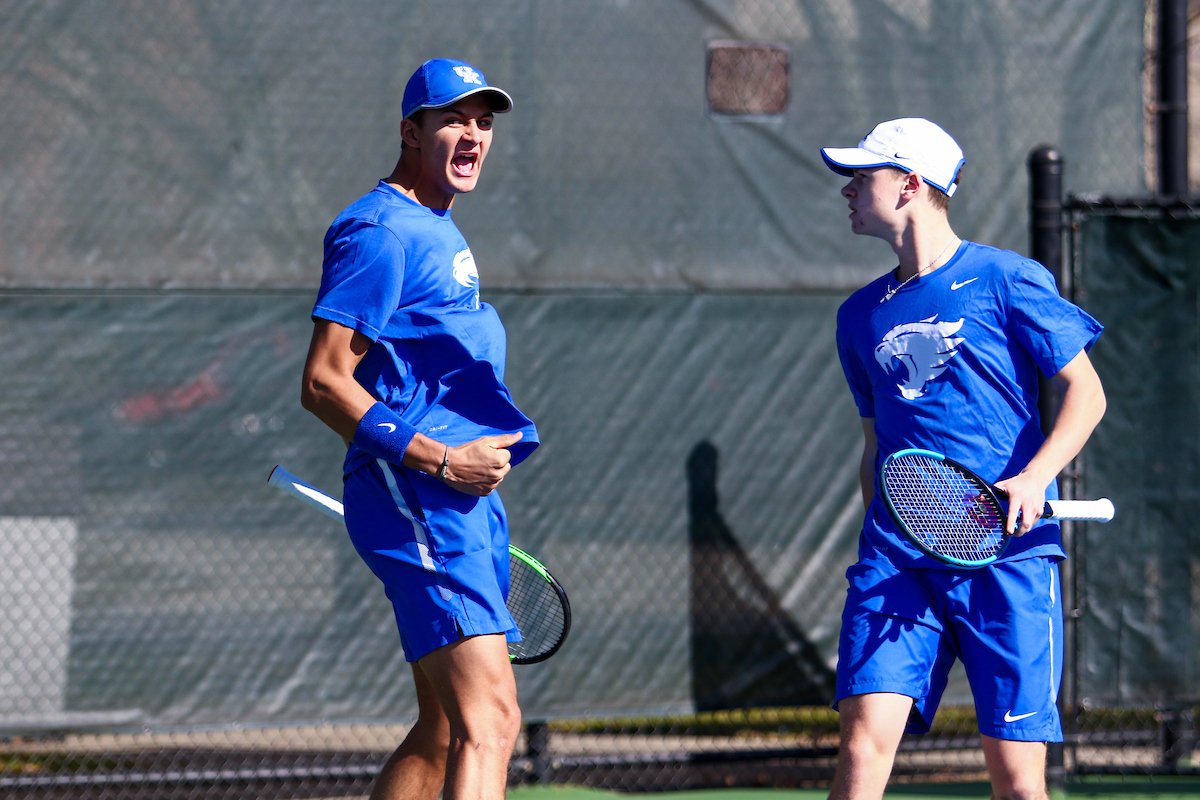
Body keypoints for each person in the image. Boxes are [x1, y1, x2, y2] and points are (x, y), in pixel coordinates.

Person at [820, 118, 1106, 800]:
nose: (848, 192)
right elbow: (875, 447)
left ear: (912, 185)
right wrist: (891, 536)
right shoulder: (858, 316)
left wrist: (1037, 477)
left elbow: (1086, 395)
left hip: (1007, 557)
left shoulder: (1006, 279)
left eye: (863, 178)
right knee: (861, 753)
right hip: (898, 563)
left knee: (1017, 782)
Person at [299, 58, 538, 800]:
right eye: (453, 119)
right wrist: (438, 462)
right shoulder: (380, 231)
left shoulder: (432, 224)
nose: (473, 134)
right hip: (421, 494)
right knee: (490, 723)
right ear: (411, 132)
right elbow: (322, 381)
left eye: (484, 121)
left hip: (458, 502)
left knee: (444, 728)